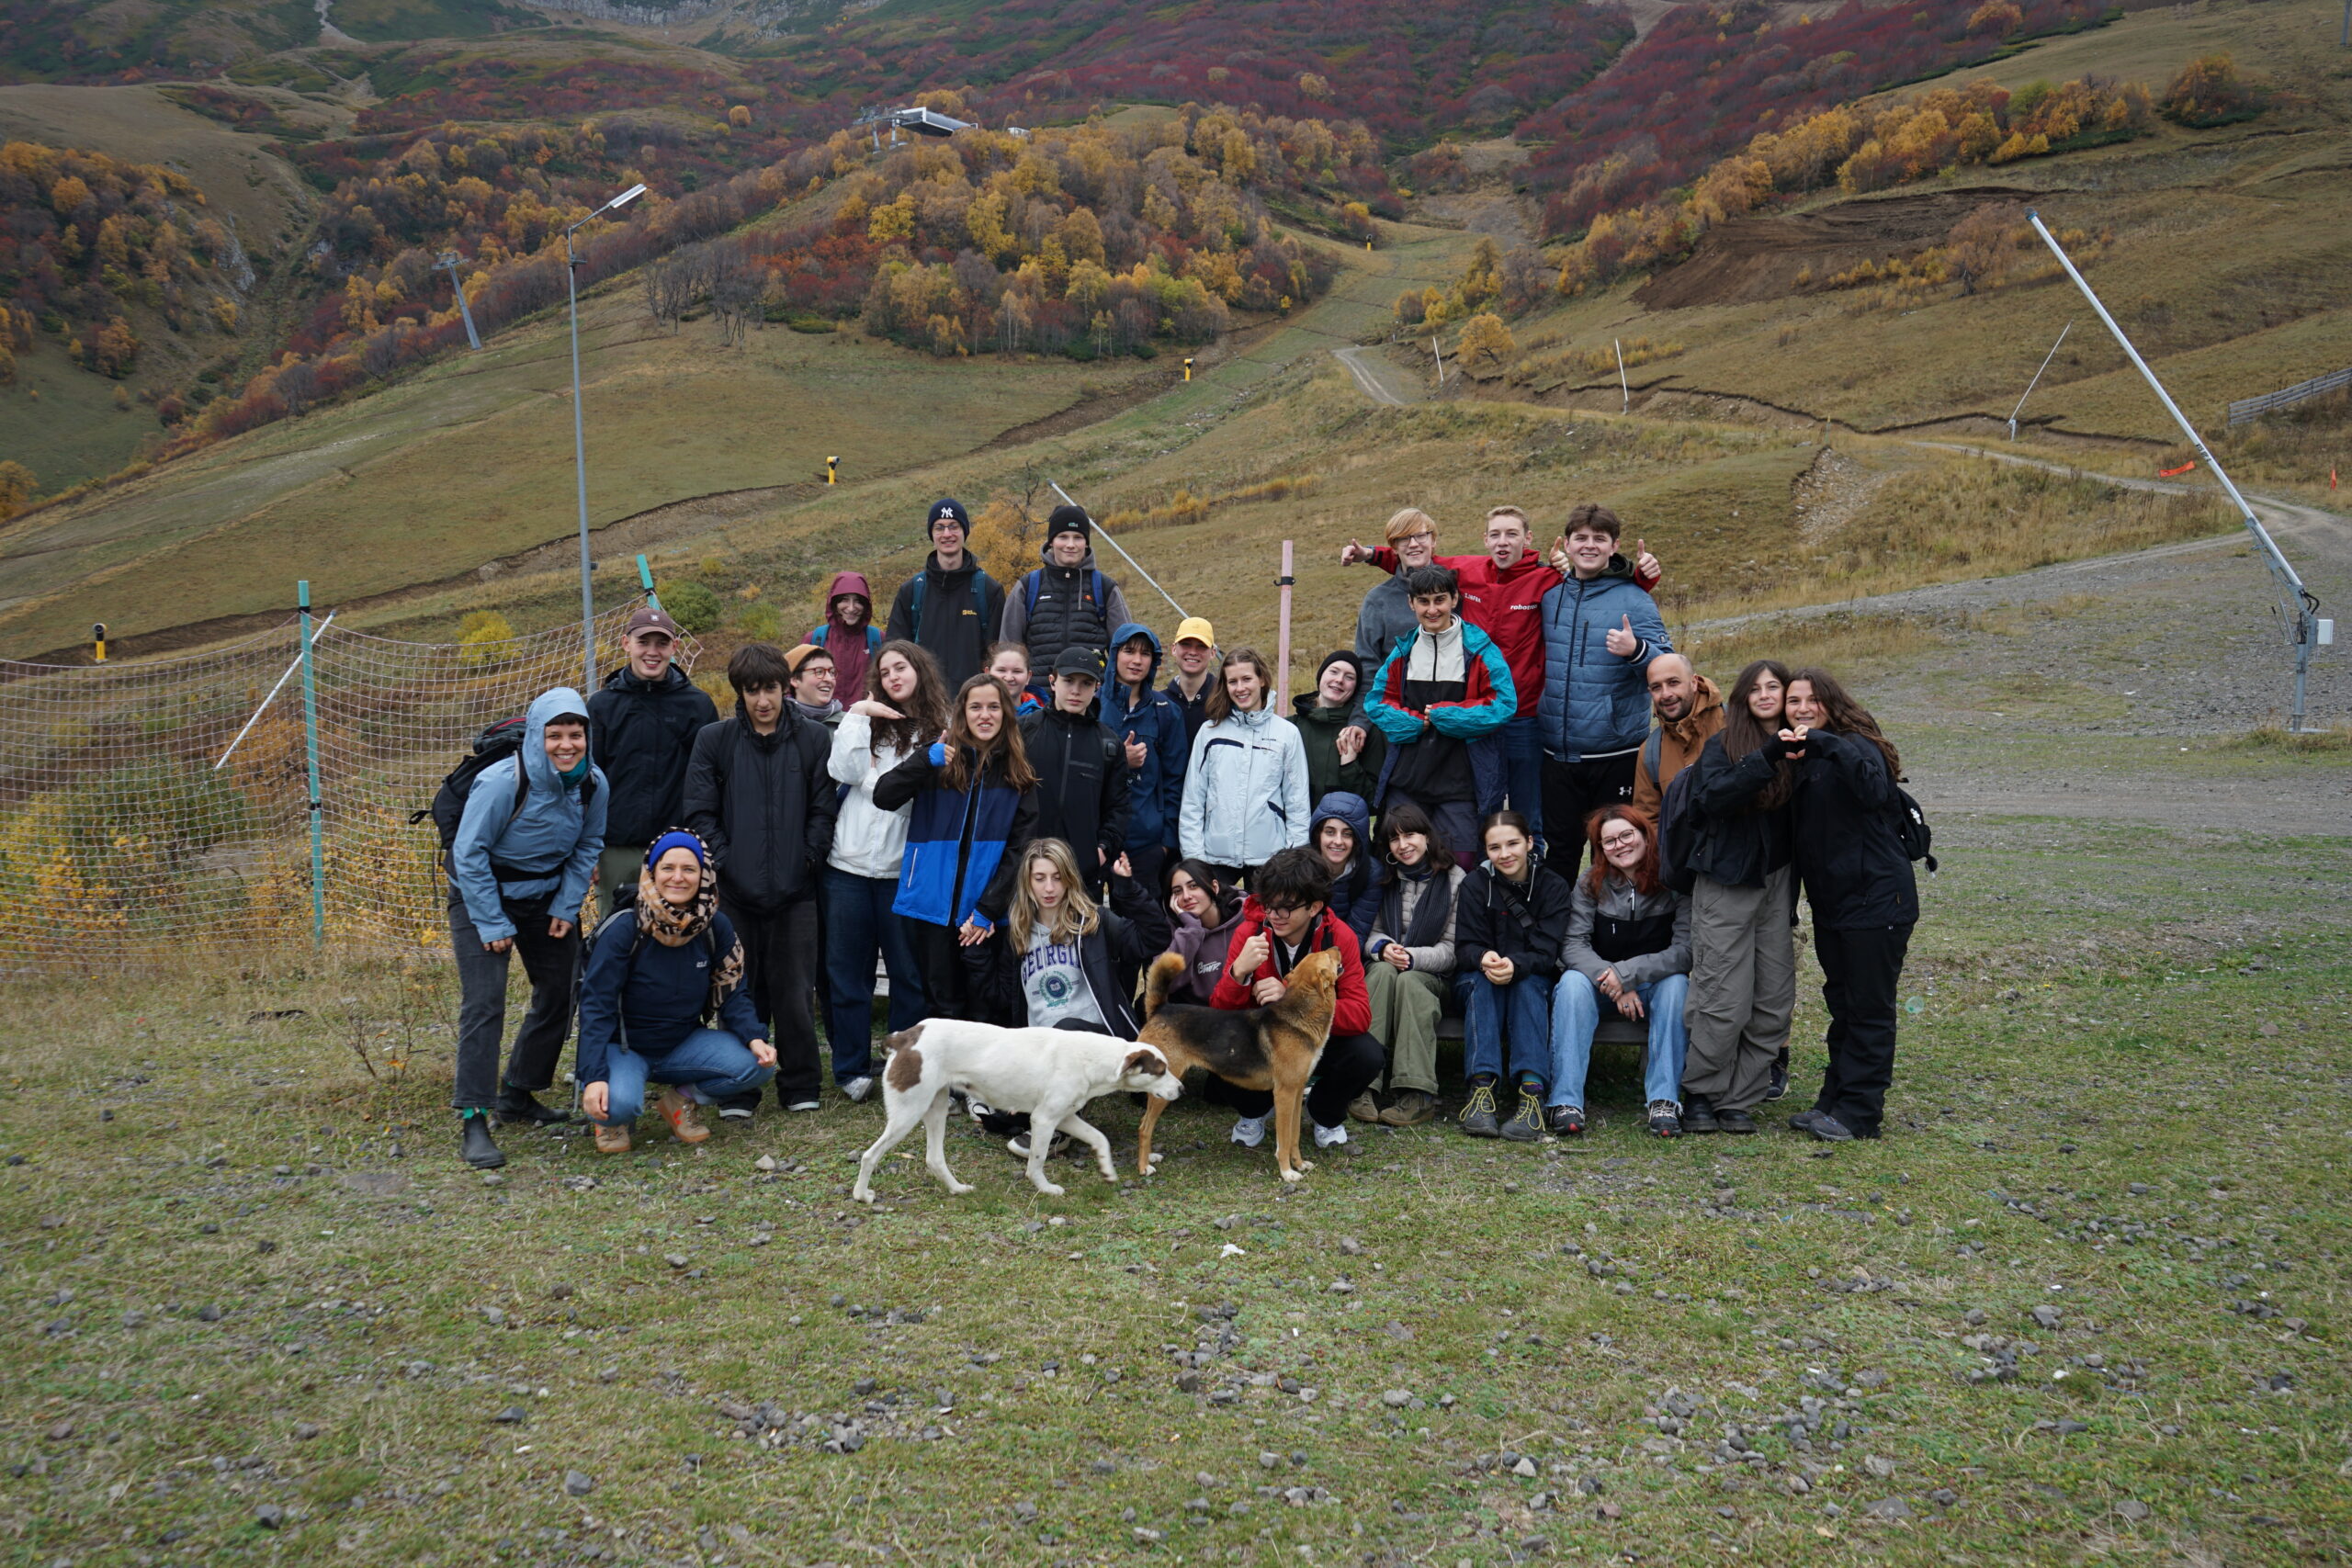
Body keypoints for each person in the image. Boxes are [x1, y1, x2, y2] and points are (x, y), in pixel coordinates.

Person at [1351, 507, 1659, 843]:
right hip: (1473, 716)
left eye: (1511, 534)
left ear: (1528, 539)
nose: (1502, 542)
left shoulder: (1547, 579)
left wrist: (1641, 579)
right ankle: (1486, 877)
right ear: (1484, 539)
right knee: (1484, 805)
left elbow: (1597, 583)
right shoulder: (1465, 571)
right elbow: (1416, 560)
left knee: (1528, 811)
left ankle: (1531, 872)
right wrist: (1370, 554)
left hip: (1525, 717)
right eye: (1495, 534)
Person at [446, 687, 607, 1170]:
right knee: (485, 1002)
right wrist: (491, 919)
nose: (565, 745)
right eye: (554, 734)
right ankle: (475, 1117)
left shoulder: (593, 783)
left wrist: (566, 904)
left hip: (545, 898)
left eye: (574, 734)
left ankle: (518, 1092)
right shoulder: (501, 782)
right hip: (481, 895)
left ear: (586, 736)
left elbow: (590, 843)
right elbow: (467, 854)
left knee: (560, 990)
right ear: (536, 736)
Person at [682, 643, 838, 1115]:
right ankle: (740, 1087)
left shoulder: (813, 739)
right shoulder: (715, 740)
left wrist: (808, 858)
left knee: (794, 991)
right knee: (739, 991)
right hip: (735, 895)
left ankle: (800, 1085)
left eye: (770, 688)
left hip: (796, 893)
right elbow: (700, 813)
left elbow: (823, 809)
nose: (763, 700)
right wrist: (728, 862)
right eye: (752, 691)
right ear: (740, 693)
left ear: (784, 686)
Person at [1781, 669, 1919, 1143]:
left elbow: (1873, 790)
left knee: (1868, 1008)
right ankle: (1833, 1100)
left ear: (1831, 702)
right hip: (1836, 904)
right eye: (1793, 700)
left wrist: (1823, 742)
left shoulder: (1857, 744)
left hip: (1878, 899)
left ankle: (1860, 1112)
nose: (1801, 708)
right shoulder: (1807, 756)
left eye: (1811, 699)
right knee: (1842, 1004)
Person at [575, 832, 777, 1153]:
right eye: (668, 868)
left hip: (681, 1042)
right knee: (619, 1106)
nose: (678, 878)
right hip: (624, 1046)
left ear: (704, 875)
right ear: (651, 873)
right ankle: (610, 1114)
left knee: (756, 1065)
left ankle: (678, 1101)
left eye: (689, 869)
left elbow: (732, 991)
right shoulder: (624, 928)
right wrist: (594, 1075)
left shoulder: (714, 926)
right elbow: (595, 1007)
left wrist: (754, 1037)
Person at [872, 672, 1040, 1025]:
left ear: (1006, 715)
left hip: (984, 916)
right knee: (941, 1008)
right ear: (962, 713)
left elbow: (1020, 851)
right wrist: (924, 760)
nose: (985, 715)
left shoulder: (1018, 773)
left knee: (985, 1009)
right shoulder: (937, 760)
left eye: (994, 707)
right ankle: (941, 1079)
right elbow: (884, 795)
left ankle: (977, 1082)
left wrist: (987, 910)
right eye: (975, 706)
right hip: (932, 907)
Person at [1678, 660, 1799, 1135]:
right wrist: (1767, 756)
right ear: (1743, 698)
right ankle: (1703, 1092)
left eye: (1776, 687)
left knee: (1772, 997)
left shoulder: (1804, 747)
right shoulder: (1724, 745)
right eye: (1757, 688)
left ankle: (1741, 1097)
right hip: (1727, 880)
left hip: (1777, 881)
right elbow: (1710, 800)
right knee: (1722, 996)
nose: (1766, 695)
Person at [824, 638, 947, 1100]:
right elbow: (844, 770)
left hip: (902, 871)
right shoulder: (864, 722)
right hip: (847, 867)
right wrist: (858, 715)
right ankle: (852, 1069)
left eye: (902, 668)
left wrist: (888, 776)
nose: (895, 676)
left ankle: (903, 1068)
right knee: (848, 973)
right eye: (886, 670)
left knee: (907, 976)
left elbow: (913, 795)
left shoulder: (940, 730)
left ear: (919, 670)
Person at [1206, 845, 1383, 1154]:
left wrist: (1292, 998)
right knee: (1215, 1044)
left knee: (1367, 1054)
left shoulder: (1338, 937)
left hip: (1316, 1043)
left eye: (1285, 908)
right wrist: (1238, 974)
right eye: (1269, 905)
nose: (1274, 915)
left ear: (1314, 908)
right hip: (1264, 1044)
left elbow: (1359, 1015)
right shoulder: (1250, 931)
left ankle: (1324, 1114)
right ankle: (1255, 1111)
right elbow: (1218, 1015)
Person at [1537, 502, 1670, 879]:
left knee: (1615, 853)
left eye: (1600, 539)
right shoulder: (1550, 596)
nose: (1589, 546)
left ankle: (1615, 934)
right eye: (1581, 538)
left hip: (1615, 755)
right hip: (1556, 754)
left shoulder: (1635, 599)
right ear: (1566, 544)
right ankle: (1559, 935)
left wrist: (1637, 652)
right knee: (1560, 850)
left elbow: (1668, 668)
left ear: (1615, 546)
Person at [1550, 805, 1691, 1138]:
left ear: (1645, 835)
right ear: (1599, 849)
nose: (1620, 845)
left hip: (1651, 984)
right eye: (1609, 841)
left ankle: (1664, 1101)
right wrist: (1613, 981)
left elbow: (1686, 950)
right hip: (1600, 986)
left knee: (1677, 985)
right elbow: (1572, 945)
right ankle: (1566, 1101)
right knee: (1570, 983)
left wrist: (1628, 975)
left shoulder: (1674, 880)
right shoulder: (1590, 883)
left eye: (1627, 835)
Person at [1363, 564, 1514, 863]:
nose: (1432, 609)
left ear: (1455, 599)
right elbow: (1377, 701)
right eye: (1423, 601)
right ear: (1411, 603)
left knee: (1462, 865)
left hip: (1461, 783)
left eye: (1440, 600)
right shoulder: (1403, 651)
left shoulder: (1480, 648)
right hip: (1408, 779)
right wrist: (1414, 722)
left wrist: (1448, 717)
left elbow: (1504, 705)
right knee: (1399, 863)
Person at [586, 605, 717, 920]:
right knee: (615, 931)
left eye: (661, 643)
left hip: (676, 848)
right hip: (616, 848)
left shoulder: (697, 705)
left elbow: (710, 781)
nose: (652, 652)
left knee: (674, 931)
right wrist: (588, 851)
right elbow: (586, 782)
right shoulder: (602, 705)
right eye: (644, 642)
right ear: (626, 644)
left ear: (674, 648)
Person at [1453, 810, 1573, 1143]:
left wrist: (1515, 966)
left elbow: (1547, 951)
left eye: (1512, 844)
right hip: (1478, 978)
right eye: (1494, 848)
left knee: (1529, 985)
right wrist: (1483, 957)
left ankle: (1532, 1094)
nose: (1504, 854)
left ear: (1530, 842)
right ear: (1486, 852)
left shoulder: (1552, 886)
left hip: (1531, 977)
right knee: (1482, 984)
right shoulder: (1475, 884)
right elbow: (1463, 947)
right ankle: (1481, 1091)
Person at [1355, 801, 1461, 1128]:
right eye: (1394, 839)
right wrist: (1383, 948)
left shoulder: (1455, 879)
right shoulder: (1384, 877)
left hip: (1434, 976)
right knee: (1382, 973)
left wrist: (1413, 957)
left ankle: (1417, 1094)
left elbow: (1453, 948)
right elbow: (1369, 932)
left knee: (1410, 981)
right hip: (1388, 965)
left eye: (1410, 835)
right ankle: (1360, 1084)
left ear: (1427, 836)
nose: (1404, 846)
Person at [1177, 646, 1311, 888]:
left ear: (1261, 679)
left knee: (1267, 924)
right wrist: (1195, 859)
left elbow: (1298, 803)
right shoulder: (1209, 733)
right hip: (1215, 856)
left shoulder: (1287, 734)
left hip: (1270, 858)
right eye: (1232, 681)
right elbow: (1193, 801)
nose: (1240, 688)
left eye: (1246, 679)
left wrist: (1292, 859)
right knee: (1211, 924)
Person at [1020, 647, 1129, 898]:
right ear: (1053, 681)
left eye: (1086, 683)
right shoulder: (1024, 731)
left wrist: (1101, 850)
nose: (1076, 691)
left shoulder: (1109, 744)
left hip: (1081, 875)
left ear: (1097, 687)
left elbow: (1118, 808)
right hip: (1025, 869)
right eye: (1069, 681)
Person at [1102, 622, 1188, 897]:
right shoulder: (1091, 707)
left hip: (1146, 843)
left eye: (1145, 653)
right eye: (1129, 651)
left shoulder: (1166, 713)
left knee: (1141, 929)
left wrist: (1165, 844)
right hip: (1095, 841)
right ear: (1114, 654)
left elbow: (1176, 781)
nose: (1137, 660)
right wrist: (1118, 760)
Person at [1000, 504, 1132, 682]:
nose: (1070, 545)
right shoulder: (1027, 587)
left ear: (1086, 543)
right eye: (1063, 537)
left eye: (1078, 537)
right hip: (1039, 700)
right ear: (1051, 542)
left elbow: (1126, 651)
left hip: (1093, 702)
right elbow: (1007, 652)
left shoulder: (1105, 588)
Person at [885, 499, 1006, 687]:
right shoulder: (911, 591)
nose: (947, 534)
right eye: (939, 528)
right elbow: (894, 654)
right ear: (931, 535)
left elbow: (997, 657)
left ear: (965, 531)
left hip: (972, 704)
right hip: (923, 703)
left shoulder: (989, 590)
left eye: (954, 526)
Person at [1342, 507, 1439, 719]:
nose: (1413, 544)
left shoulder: (1459, 591)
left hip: (1452, 717)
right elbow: (1368, 667)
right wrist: (1360, 721)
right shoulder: (1378, 600)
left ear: (1433, 541)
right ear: (1394, 547)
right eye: (1403, 538)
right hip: (1395, 718)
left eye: (1421, 536)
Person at [1631, 652, 1724, 822]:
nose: (1666, 694)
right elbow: (1649, 820)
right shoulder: (1650, 753)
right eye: (1657, 687)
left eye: (1673, 683)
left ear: (1694, 682)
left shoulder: (1733, 725)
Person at [1294, 650, 1384, 807]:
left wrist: (1349, 766)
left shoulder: (1366, 734)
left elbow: (1373, 802)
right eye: (1334, 672)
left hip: (1342, 831)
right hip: (1295, 828)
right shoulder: (1291, 728)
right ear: (1321, 675)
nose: (1339, 680)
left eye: (1349, 677)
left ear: (1356, 687)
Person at [1164, 858, 1246, 1005]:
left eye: (1194, 886)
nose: (1187, 896)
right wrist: (1191, 929)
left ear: (1214, 887)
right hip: (1195, 1016)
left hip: (1240, 1012)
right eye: (1178, 891)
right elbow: (1165, 985)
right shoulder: (1172, 929)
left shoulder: (1245, 918)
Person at [1309, 791, 1382, 942]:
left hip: (1344, 954)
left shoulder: (1370, 873)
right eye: (1330, 832)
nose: (1338, 841)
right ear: (1318, 834)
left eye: (1347, 834)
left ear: (1357, 839)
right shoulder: (1299, 865)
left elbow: (1357, 931)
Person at [805, 571, 880, 704]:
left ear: (866, 606)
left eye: (858, 601)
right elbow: (794, 685)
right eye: (845, 600)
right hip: (823, 721)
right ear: (833, 603)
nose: (851, 608)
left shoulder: (878, 640)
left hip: (866, 721)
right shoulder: (814, 639)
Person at [1162, 616, 1220, 748]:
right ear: (1173, 649)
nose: (1193, 652)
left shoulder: (1224, 699)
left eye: (1201, 646)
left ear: (1213, 653)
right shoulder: (1159, 703)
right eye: (1186, 644)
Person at [784, 643, 842, 727]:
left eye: (832, 672)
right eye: (819, 672)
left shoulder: (849, 723)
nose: (829, 679)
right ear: (795, 680)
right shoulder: (778, 725)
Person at [987, 641, 1045, 718]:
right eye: (1001, 670)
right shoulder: (972, 714)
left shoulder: (1043, 718)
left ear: (1028, 677)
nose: (1009, 678)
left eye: (1017, 671)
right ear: (987, 673)